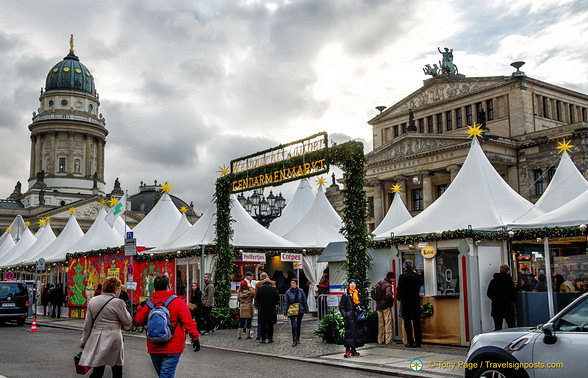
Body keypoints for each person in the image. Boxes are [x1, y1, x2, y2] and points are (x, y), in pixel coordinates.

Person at [135, 274, 200, 378]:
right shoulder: (178, 302)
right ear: (167, 286)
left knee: (163, 375)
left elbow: (139, 320)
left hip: (154, 346)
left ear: (155, 288)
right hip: (173, 346)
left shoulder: (150, 303)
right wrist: (195, 338)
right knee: (166, 375)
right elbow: (188, 322)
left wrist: (140, 307)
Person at [79, 277, 132, 378]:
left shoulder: (93, 301)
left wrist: (84, 341)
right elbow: (127, 321)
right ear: (115, 289)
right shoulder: (118, 302)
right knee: (117, 369)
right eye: (119, 288)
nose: (120, 290)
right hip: (114, 338)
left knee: (98, 368)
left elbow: (87, 324)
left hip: (97, 336)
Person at [397, 260, 422, 348]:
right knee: (417, 323)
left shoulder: (402, 276)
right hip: (415, 301)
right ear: (412, 266)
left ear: (405, 267)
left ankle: (410, 342)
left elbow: (399, 289)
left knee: (407, 323)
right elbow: (419, 288)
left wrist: (399, 298)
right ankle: (418, 342)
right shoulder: (417, 276)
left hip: (406, 302)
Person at [338, 279, 365, 357]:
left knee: (356, 333)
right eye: (351, 283)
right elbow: (341, 306)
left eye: (354, 283)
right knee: (349, 334)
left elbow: (362, 304)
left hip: (357, 318)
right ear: (349, 285)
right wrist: (345, 314)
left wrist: (362, 311)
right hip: (349, 318)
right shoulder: (346, 295)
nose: (353, 285)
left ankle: (353, 349)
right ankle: (347, 350)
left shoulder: (358, 295)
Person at [487, 264, 516, 330]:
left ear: (500, 270)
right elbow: (513, 294)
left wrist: (495, 299)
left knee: (498, 326)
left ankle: (498, 339)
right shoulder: (509, 281)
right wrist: (511, 301)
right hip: (508, 307)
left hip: (496, 307)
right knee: (511, 326)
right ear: (508, 271)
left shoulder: (494, 281)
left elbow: (489, 293)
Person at [283, 278, 309, 347]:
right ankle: (294, 339)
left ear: (296, 284)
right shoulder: (288, 292)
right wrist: (285, 312)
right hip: (292, 310)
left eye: (293, 283)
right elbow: (286, 302)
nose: (292, 284)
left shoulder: (301, 291)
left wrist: (306, 310)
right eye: (291, 283)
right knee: (294, 325)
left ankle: (298, 338)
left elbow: (304, 300)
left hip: (300, 309)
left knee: (299, 324)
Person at [255, 276, 279, 343]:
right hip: (271, 309)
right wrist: (275, 303)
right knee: (270, 324)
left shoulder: (260, 288)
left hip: (262, 309)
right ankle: (270, 338)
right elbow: (277, 297)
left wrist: (259, 305)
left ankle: (263, 339)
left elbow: (256, 298)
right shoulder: (273, 289)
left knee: (263, 324)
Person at [373, 272, 395, 344]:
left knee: (381, 324)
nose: (394, 280)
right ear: (391, 278)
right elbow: (389, 295)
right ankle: (388, 340)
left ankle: (380, 340)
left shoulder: (379, 283)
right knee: (388, 323)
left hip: (378, 306)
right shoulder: (388, 285)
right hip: (385, 306)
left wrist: (377, 299)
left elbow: (372, 291)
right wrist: (390, 301)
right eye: (393, 278)